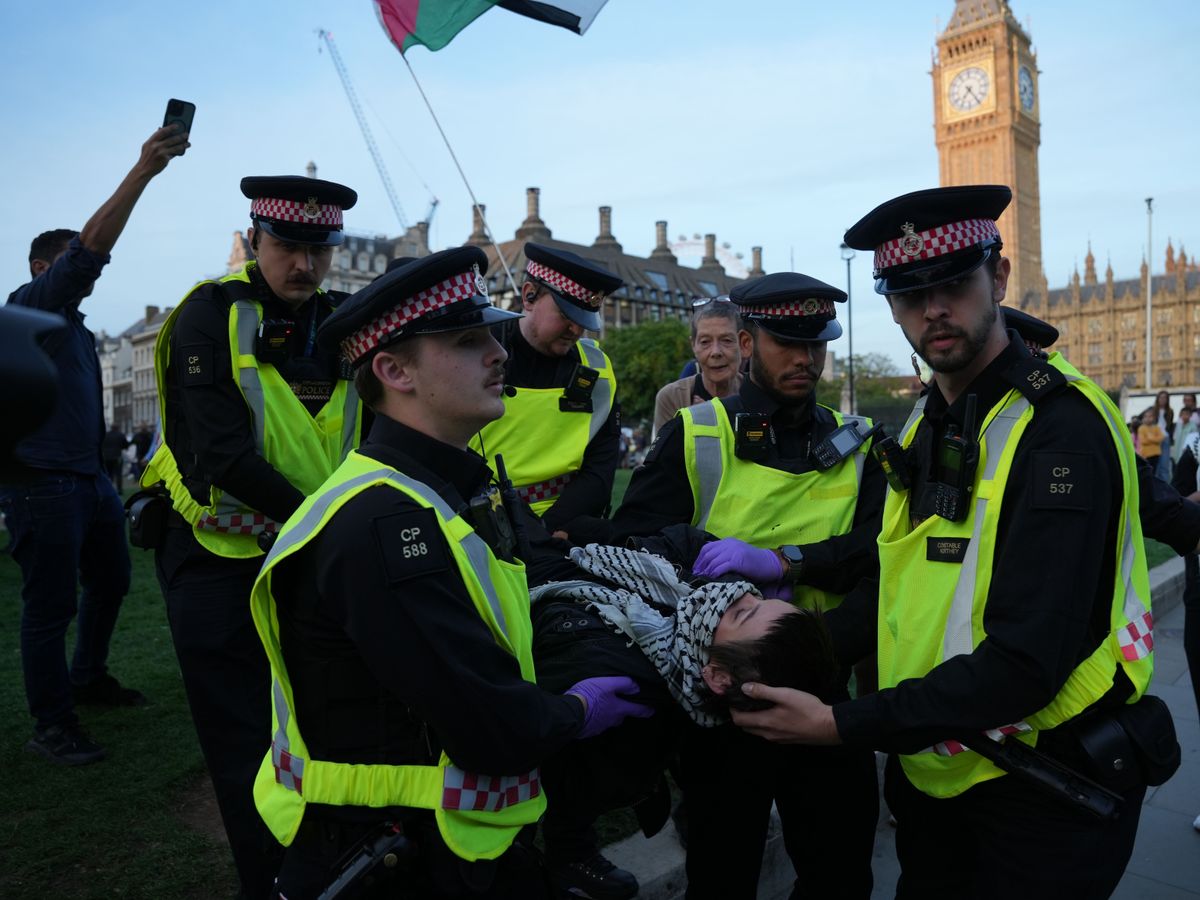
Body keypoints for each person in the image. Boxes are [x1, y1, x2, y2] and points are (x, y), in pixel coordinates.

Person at [735, 185, 1161, 898]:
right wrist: (762, 660)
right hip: (940, 774)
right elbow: (896, 589)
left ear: (997, 278)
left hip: (1038, 793)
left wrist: (843, 723)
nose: (933, 309)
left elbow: (1026, 661)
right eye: (908, 294)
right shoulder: (926, 423)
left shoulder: (1061, 430)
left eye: (954, 284)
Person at [250, 247, 652, 899]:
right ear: (392, 370)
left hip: (449, 844)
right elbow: (490, 722)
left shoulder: (450, 488)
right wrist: (579, 709)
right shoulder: (385, 522)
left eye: (489, 334)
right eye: (468, 342)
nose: (497, 353)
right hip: (397, 858)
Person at [578, 271, 884, 899]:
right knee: (721, 872)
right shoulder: (695, 434)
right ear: (746, 344)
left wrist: (788, 564)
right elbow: (634, 550)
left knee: (842, 873)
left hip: (826, 689)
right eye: (785, 344)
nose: (805, 359)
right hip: (723, 707)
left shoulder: (858, 445)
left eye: (816, 343)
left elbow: (879, 555)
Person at [141, 175, 362, 899]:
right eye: (289, 247)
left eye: (319, 250)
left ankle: (328, 862)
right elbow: (220, 454)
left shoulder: (341, 320)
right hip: (216, 555)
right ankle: (268, 882)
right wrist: (324, 525)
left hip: (303, 552)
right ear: (255, 240)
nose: (305, 264)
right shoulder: (210, 315)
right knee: (242, 738)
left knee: (318, 716)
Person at [0, 125, 187, 766]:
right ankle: (51, 724)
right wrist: (143, 171)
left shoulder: (75, 331)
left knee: (111, 580)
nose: (86, 279)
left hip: (89, 480)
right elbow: (88, 252)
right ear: (41, 270)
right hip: (42, 481)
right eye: (70, 269)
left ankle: (88, 677)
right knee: (50, 605)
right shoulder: (34, 307)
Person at [471, 243, 623, 534]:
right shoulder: (477, 354)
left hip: (565, 528)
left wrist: (545, 530)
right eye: (566, 315)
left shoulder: (598, 368)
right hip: (480, 520)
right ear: (529, 295)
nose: (576, 330)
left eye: (583, 320)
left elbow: (600, 471)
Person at [652, 298, 746, 439]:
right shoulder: (671, 398)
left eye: (727, 340)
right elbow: (666, 459)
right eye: (705, 342)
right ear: (693, 346)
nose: (715, 352)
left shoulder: (759, 394)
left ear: (744, 344)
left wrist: (706, 416)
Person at [101, 423, 130, 492]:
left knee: (109, 474)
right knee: (118, 474)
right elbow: (126, 445)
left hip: (107, 457)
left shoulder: (106, 435)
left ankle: (108, 489)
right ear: (118, 428)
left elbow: (101, 445)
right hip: (117, 457)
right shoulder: (120, 435)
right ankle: (119, 490)